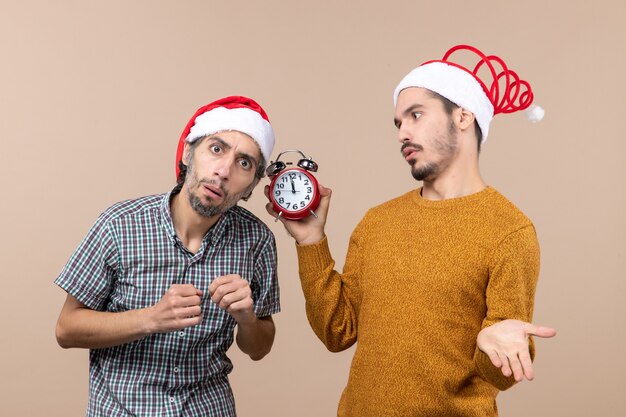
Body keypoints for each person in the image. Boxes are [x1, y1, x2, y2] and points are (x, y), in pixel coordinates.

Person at [265, 45, 556, 416]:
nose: (403, 132)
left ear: (463, 116)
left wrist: (493, 347)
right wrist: (311, 242)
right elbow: (336, 331)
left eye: (415, 115)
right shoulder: (377, 222)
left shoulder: (509, 230)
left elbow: (502, 372)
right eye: (399, 123)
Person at [55, 96, 280, 417]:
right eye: (216, 149)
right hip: (122, 410)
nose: (224, 171)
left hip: (209, 409)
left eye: (244, 163)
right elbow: (66, 329)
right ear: (189, 152)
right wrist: (151, 318)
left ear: (250, 187)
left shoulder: (257, 240)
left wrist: (247, 319)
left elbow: (260, 347)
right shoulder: (119, 225)